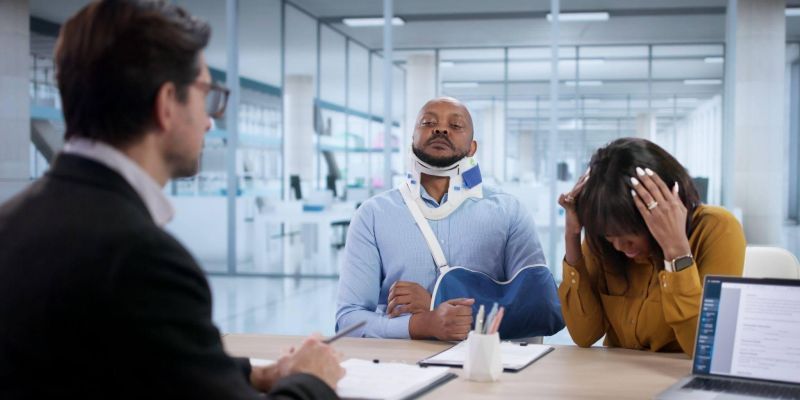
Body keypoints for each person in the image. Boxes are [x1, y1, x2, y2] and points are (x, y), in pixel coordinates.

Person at [0, 1, 343, 398]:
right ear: (166, 105)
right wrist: (313, 379)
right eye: (207, 95)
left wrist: (255, 375)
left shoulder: (11, 222)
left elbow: (133, 355)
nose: (210, 120)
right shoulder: (141, 259)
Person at [336, 97, 562, 340]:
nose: (441, 128)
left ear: (472, 148)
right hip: (402, 367)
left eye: (455, 126)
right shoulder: (373, 215)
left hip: (486, 365)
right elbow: (348, 320)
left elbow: (541, 309)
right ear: (412, 139)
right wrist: (421, 324)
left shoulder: (509, 212)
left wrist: (435, 301)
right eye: (428, 122)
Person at [558, 137, 745, 357]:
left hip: (679, 378)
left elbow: (706, 349)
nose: (620, 246)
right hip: (617, 377)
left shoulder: (717, 229)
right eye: (610, 236)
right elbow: (584, 334)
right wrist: (572, 236)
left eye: (631, 235)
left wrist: (677, 251)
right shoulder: (605, 237)